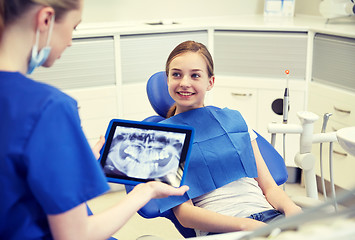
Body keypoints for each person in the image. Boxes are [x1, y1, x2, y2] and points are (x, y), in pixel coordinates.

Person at [0, 1, 188, 239]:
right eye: (74, 27)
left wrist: (67, 163)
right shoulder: (48, 107)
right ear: (45, 19)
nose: (70, 41)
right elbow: (74, 235)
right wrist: (145, 191)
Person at [159, 40, 302, 236]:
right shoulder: (162, 139)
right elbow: (185, 213)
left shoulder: (234, 121)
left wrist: (293, 210)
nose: (184, 82)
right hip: (224, 231)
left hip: (269, 218)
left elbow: (269, 188)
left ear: (210, 82)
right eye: (176, 74)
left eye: (195, 75)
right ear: (167, 80)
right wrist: (244, 225)